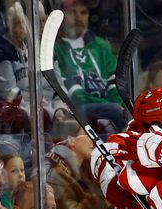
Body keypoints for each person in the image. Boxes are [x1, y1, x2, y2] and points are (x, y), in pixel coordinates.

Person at [54, 0, 126, 130]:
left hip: (108, 110)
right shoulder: (55, 48)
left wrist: (114, 104)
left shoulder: (101, 46)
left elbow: (115, 81)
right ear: (61, 15)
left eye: (83, 12)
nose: (78, 17)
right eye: (72, 12)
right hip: (74, 108)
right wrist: (110, 106)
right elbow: (71, 92)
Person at [46, 122, 103, 209]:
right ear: (71, 140)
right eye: (86, 134)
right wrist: (95, 201)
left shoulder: (83, 169)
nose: (92, 140)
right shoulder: (54, 169)